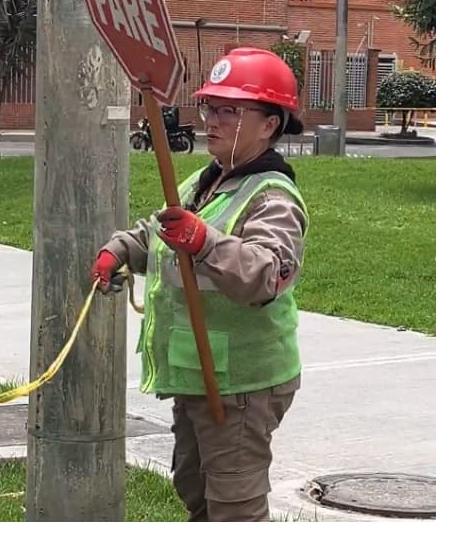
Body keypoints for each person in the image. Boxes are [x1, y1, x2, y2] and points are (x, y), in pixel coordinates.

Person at [90, 47, 308, 522]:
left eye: (230, 110)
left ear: (269, 124)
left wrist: (206, 241)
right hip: (199, 375)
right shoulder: (204, 181)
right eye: (210, 107)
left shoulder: (273, 197)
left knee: (234, 508)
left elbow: (265, 276)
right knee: (194, 487)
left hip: (244, 383)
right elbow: (163, 235)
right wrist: (121, 250)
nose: (212, 119)